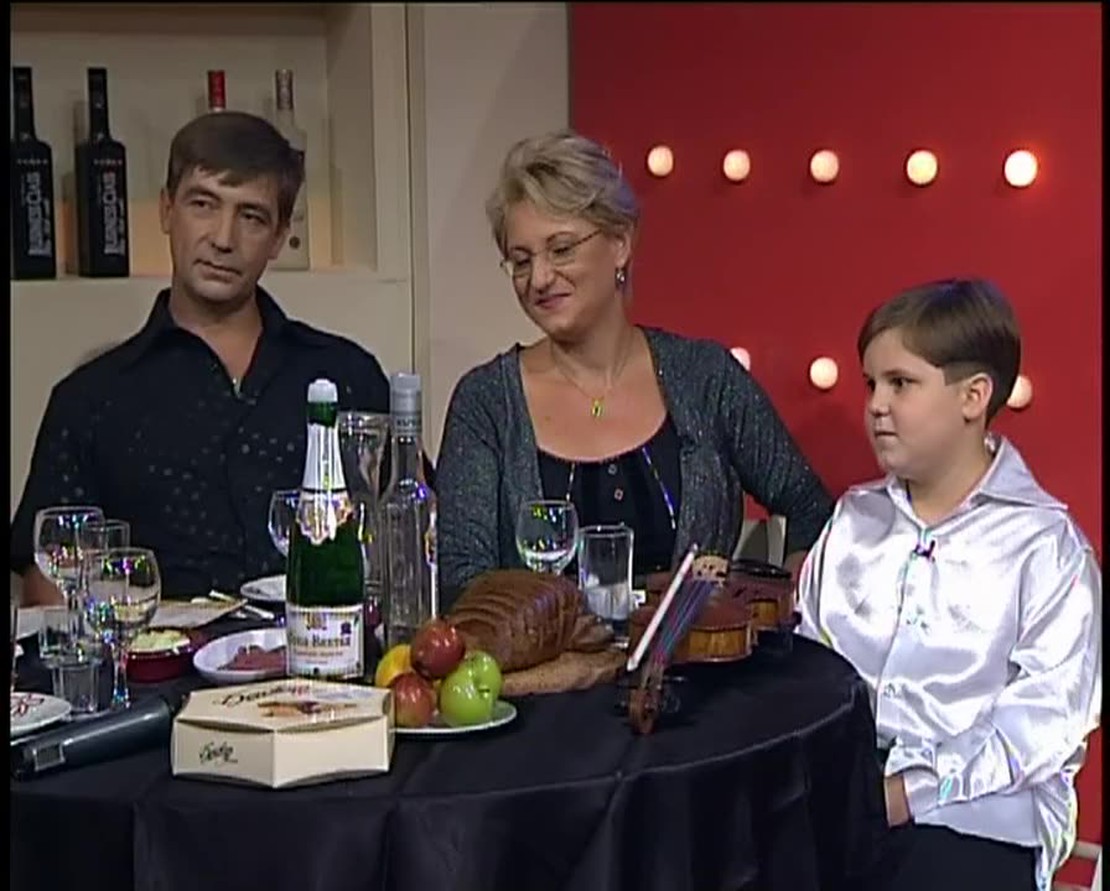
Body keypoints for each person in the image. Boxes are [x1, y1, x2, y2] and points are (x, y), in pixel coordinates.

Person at [436, 129, 834, 606]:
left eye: (561, 250)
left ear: (620, 242)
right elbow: (463, 583)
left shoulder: (705, 378)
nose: (539, 278)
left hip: (697, 656)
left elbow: (811, 508)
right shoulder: (486, 403)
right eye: (521, 261)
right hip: (544, 658)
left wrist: (783, 599)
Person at [10, 111, 396, 604]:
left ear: (279, 237)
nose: (223, 238)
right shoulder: (89, 401)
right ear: (167, 210)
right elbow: (49, 586)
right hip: (157, 652)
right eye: (203, 204)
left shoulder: (346, 376)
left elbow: (410, 537)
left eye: (251, 217)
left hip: (326, 647)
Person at [795, 279, 1101, 891]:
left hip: (982, 809)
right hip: (846, 790)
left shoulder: (1046, 545)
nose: (876, 405)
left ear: (973, 396)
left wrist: (905, 793)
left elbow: (1044, 720)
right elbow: (809, 666)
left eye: (900, 383)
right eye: (871, 384)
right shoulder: (854, 519)